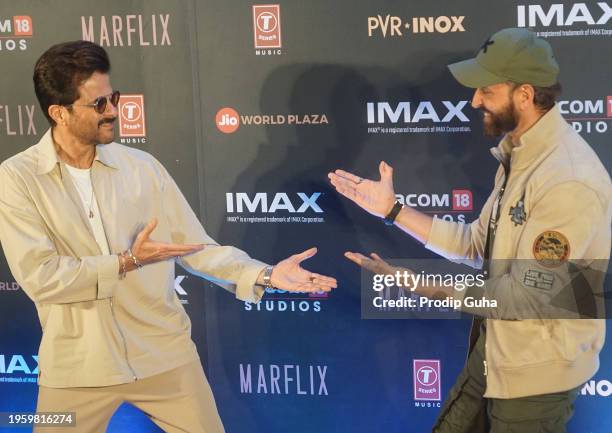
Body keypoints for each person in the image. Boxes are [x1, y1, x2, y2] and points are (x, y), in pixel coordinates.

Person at [0, 40, 336, 433]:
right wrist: (127, 262)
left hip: (164, 355)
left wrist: (265, 275)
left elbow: (194, 248)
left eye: (114, 98)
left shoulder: (142, 168)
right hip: (76, 368)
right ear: (59, 112)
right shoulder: (16, 179)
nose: (113, 112)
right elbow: (42, 277)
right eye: (98, 105)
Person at [329, 28, 611, 432]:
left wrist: (426, 286)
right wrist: (392, 210)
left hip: (535, 374)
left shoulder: (567, 179)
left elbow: (526, 296)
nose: (475, 100)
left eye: (487, 91)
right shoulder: (520, 154)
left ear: (525, 96)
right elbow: (477, 242)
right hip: (496, 350)